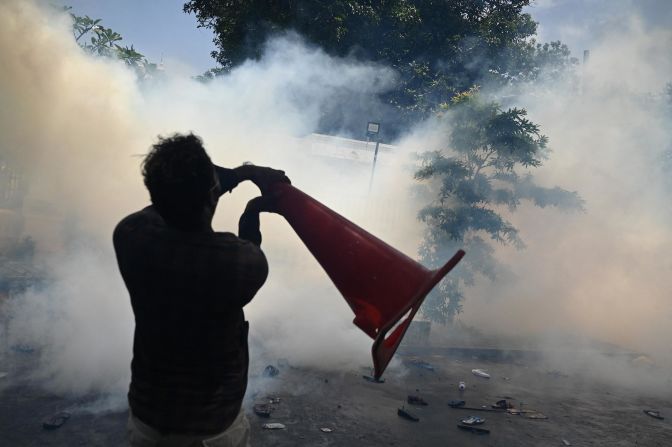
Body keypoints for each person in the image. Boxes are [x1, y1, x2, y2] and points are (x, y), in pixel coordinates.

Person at [113, 133, 289, 446]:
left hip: (147, 420)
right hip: (211, 431)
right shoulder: (238, 261)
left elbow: (172, 195)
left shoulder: (131, 235)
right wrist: (251, 209)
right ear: (211, 195)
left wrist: (241, 173)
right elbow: (252, 247)